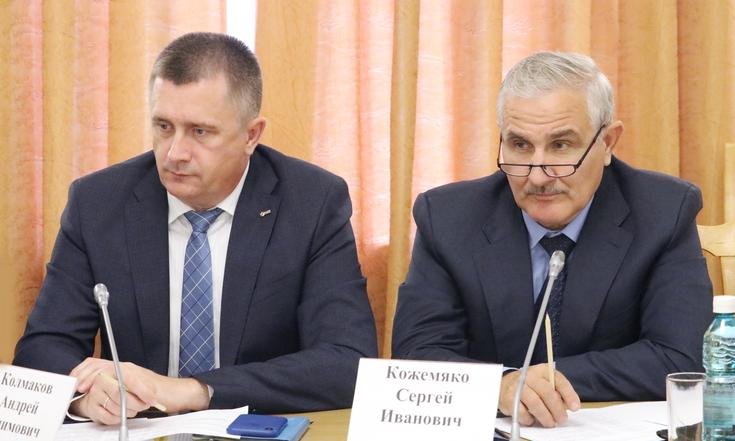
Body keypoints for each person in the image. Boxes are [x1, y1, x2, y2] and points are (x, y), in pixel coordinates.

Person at [14, 32, 377, 425]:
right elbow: (42, 349)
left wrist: (194, 390)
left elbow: (346, 362)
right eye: (163, 126)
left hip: (258, 428)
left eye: (200, 131)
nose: (175, 153)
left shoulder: (311, 202)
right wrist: (85, 399)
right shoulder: (98, 203)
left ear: (251, 135)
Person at [391, 51, 712, 428]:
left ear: (608, 143)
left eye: (560, 146)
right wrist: (499, 386)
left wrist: (538, 383)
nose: (538, 176)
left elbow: (679, 358)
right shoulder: (448, 218)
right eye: (520, 145)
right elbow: (417, 355)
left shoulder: (664, 212)